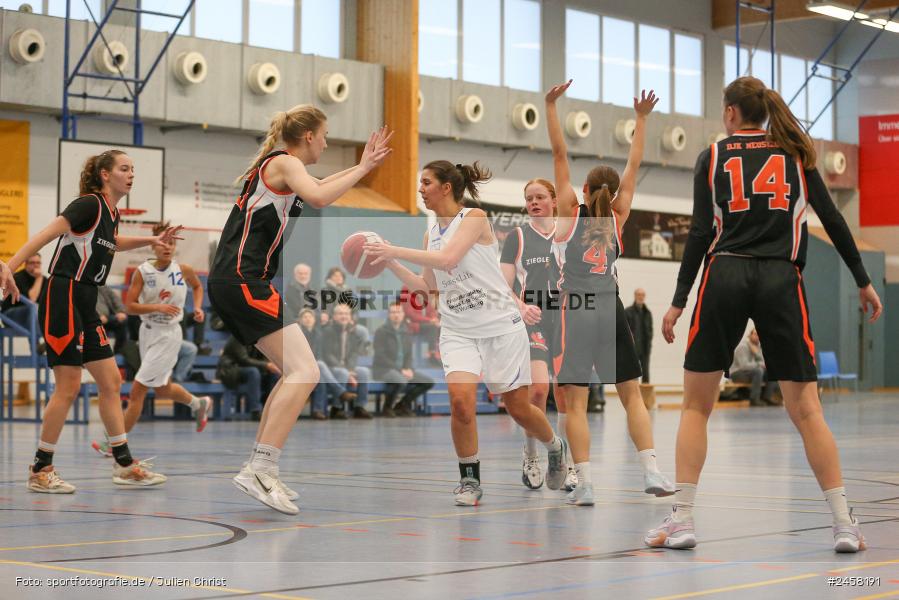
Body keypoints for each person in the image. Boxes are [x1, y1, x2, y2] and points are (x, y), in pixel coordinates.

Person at [645, 76, 883, 553]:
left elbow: (697, 234)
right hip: (780, 279)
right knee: (808, 410)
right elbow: (833, 221)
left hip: (725, 274)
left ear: (732, 113)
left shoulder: (711, 157)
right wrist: (862, 278)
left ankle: (684, 518)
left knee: (696, 406)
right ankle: (843, 523)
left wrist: (678, 299)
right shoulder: (796, 155)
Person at [206, 103, 391, 514]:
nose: (326, 142)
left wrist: (362, 165)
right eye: (325, 135)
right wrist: (362, 171)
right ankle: (261, 468)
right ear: (309, 136)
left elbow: (320, 183)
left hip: (237, 281)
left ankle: (260, 466)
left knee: (295, 371)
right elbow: (321, 196)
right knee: (307, 372)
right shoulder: (286, 163)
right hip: (243, 280)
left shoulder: (284, 167)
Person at [364, 160, 568, 506]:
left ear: (446, 188)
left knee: (518, 408)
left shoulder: (474, 218)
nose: (420, 189)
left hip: (501, 327)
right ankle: (470, 480)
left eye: (426, 182)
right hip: (458, 329)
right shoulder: (431, 234)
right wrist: (390, 262)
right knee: (460, 402)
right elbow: (427, 285)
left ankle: (554, 446)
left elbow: (447, 260)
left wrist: (392, 249)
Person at [6, 149, 174, 492]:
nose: (131, 175)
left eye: (133, 169)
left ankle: (124, 464)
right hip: (63, 295)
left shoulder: (111, 213)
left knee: (110, 381)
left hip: (85, 299)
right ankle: (41, 469)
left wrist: (150, 240)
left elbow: (112, 243)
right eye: (124, 169)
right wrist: (8, 267)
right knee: (67, 386)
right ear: (104, 175)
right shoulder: (89, 204)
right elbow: (46, 234)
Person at [545, 80, 674, 506]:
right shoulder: (619, 215)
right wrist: (640, 118)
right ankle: (651, 468)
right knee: (631, 395)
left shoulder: (569, 211)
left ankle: (584, 483)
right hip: (610, 307)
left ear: (583, 190)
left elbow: (561, 154)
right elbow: (635, 163)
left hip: (576, 309)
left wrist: (550, 106)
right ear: (614, 192)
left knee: (576, 403)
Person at [90, 221, 212, 457]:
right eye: (163, 242)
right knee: (164, 389)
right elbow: (130, 307)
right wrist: (156, 307)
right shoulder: (143, 272)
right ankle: (199, 404)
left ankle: (114, 445)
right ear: (154, 246)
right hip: (148, 332)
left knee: (137, 392)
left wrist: (197, 308)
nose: (167, 247)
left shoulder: (184, 270)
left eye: (172, 243)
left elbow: (198, 287)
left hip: (169, 335)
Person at [499, 178, 577, 491]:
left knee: (565, 394)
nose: (534, 202)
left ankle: (568, 464)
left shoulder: (567, 234)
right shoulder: (517, 237)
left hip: (564, 318)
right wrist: (520, 306)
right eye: (529, 198)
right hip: (531, 319)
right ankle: (531, 455)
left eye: (540, 197)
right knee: (536, 390)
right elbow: (502, 285)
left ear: (554, 200)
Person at [372, 301, 434, 417]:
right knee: (400, 380)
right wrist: (401, 370)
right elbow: (381, 357)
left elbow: (409, 355)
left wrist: (409, 368)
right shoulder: (381, 332)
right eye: (393, 312)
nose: (396, 315)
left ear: (403, 314)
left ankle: (402, 405)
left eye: (399, 312)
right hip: (384, 369)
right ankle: (387, 408)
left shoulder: (407, 332)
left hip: (402, 370)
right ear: (389, 315)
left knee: (428, 382)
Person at [298, 308, 357, 420]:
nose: (308, 319)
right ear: (300, 320)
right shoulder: (297, 334)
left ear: (315, 319)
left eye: (310, 317)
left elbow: (320, 354)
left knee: (338, 372)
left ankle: (333, 408)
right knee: (320, 367)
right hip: (302, 367)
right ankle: (340, 393)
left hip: (318, 367)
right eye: (304, 317)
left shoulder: (319, 334)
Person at [321, 303, 373, 419]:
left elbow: (354, 354)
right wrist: (346, 371)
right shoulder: (328, 331)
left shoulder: (354, 332)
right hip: (331, 367)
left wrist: (350, 370)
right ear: (334, 316)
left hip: (346, 367)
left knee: (364, 371)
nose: (343, 316)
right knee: (342, 372)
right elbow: (328, 355)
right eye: (340, 314)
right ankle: (336, 408)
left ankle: (359, 407)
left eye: (346, 314)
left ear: (350, 317)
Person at [730, 328, 778, 406]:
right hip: (736, 373)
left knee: (771, 372)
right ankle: (754, 399)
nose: (758, 337)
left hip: (750, 372)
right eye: (756, 334)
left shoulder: (758, 347)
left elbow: (765, 363)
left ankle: (767, 398)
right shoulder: (743, 346)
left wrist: (757, 353)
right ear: (750, 335)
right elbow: (744, 366)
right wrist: (759, 364)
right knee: (758, 371)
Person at [1, 253, 46, 330]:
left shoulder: (44, 280)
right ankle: (37, 341)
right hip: (9, 315)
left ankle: (48, 340)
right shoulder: (18, 277)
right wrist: (38, 279)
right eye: (32, 263)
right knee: (34, 309)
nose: (36, 265)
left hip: (32, 316)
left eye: (38, 263)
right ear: (26, 264)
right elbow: (32, 300)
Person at [625, 288, 653, 383]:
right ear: (635, 296)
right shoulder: (628, 312)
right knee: (632, 372)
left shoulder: (648, 313)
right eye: (638, 294)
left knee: (645, 372)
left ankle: (645, 395)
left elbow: (650, 330)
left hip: (645, 348)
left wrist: (649, 343)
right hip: (632, 348)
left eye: (642, 295)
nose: (640, 297)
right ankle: (632, 393)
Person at [96, 285, 129, 354]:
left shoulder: (102, 286)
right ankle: (100, 355)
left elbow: (114, 298)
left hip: (109, 317)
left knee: (123, 321)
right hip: (95, 319)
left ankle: (119, 352)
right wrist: (98, 315)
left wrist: (121, 311)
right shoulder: (84, 288)